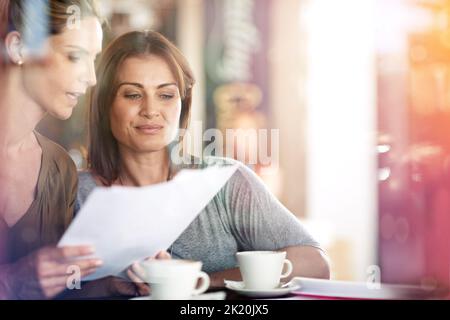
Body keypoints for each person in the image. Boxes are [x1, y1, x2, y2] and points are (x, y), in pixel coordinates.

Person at [77, 30, 330, 293]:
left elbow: (315, 264)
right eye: (132, 94)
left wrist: (202, 281)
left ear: (182, 104)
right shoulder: (74, 193)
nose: (150, 110)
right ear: (105, 103)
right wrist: (106, 288)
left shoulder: (224, 181)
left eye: (165, 95)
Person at [0, 0, 105, 299]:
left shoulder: (60, 168)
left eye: (93, 59)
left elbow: (59, 288)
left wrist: (113, 280)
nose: (92, 77)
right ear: (19, 48)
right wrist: (12, 282)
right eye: (75, 56)